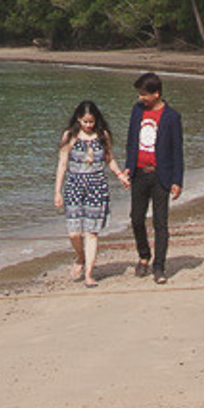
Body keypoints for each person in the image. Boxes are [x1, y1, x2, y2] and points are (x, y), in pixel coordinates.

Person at [52, 100, 128, 286]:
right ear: (78, 119)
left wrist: (120, 175)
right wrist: (57, 192)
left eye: (91, 122)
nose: (88, 125)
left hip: (97, 185)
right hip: (74, 185)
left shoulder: (103, 135)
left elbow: (109, 159)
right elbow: (62, 165)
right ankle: (80, 257)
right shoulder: (69, 136)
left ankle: (89, 274)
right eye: (85, 122)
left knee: (91, 232)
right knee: (74, 233)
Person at [123, 71, 183, 280]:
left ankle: (159, 266)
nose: (141, 98)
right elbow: (131, 141)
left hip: (161, 176)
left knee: (160, 222)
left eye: (144, 94)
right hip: (139, 173)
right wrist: (128, 167)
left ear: (156, 94)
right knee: (136, 218)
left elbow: (177, 150)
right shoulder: (137, 111)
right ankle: (144, 255)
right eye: (139, 94)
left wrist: (177, 180)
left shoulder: (172, 116)